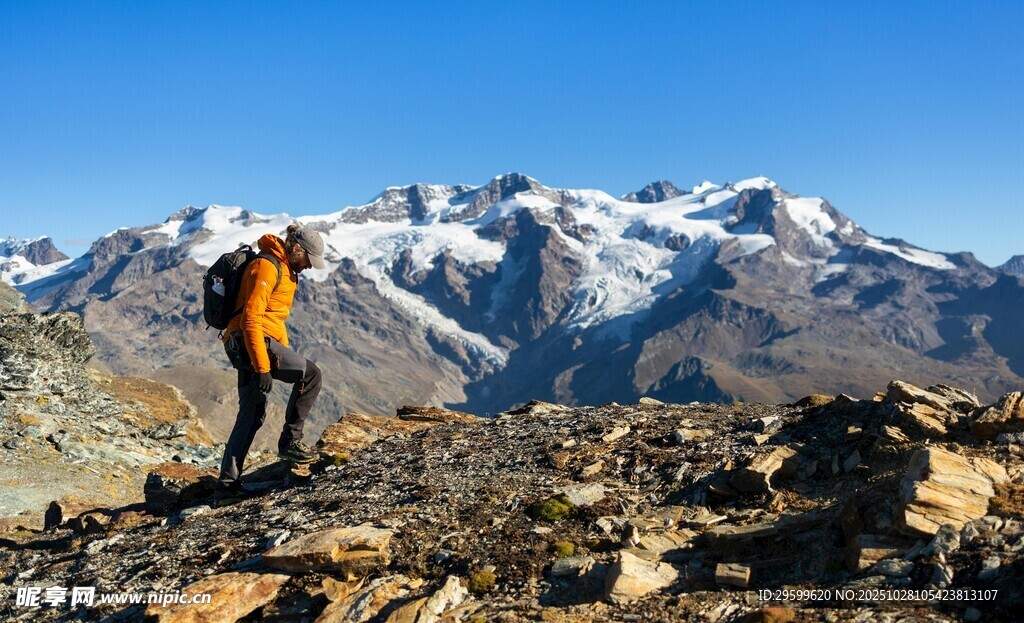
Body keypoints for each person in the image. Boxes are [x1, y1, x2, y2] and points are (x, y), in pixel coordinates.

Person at [216, 224, 326, 503]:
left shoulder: (287, 269)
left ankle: (226, 488)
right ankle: (290, 443)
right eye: (308, 261)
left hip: (247, 343)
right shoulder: (267, 267)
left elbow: (274, 320)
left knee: (251, 414)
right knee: (311, 375)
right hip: (250, 343)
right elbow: (252, 319)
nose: (310, 268)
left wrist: (283, 351)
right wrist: (263, 367)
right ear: (297, 250)